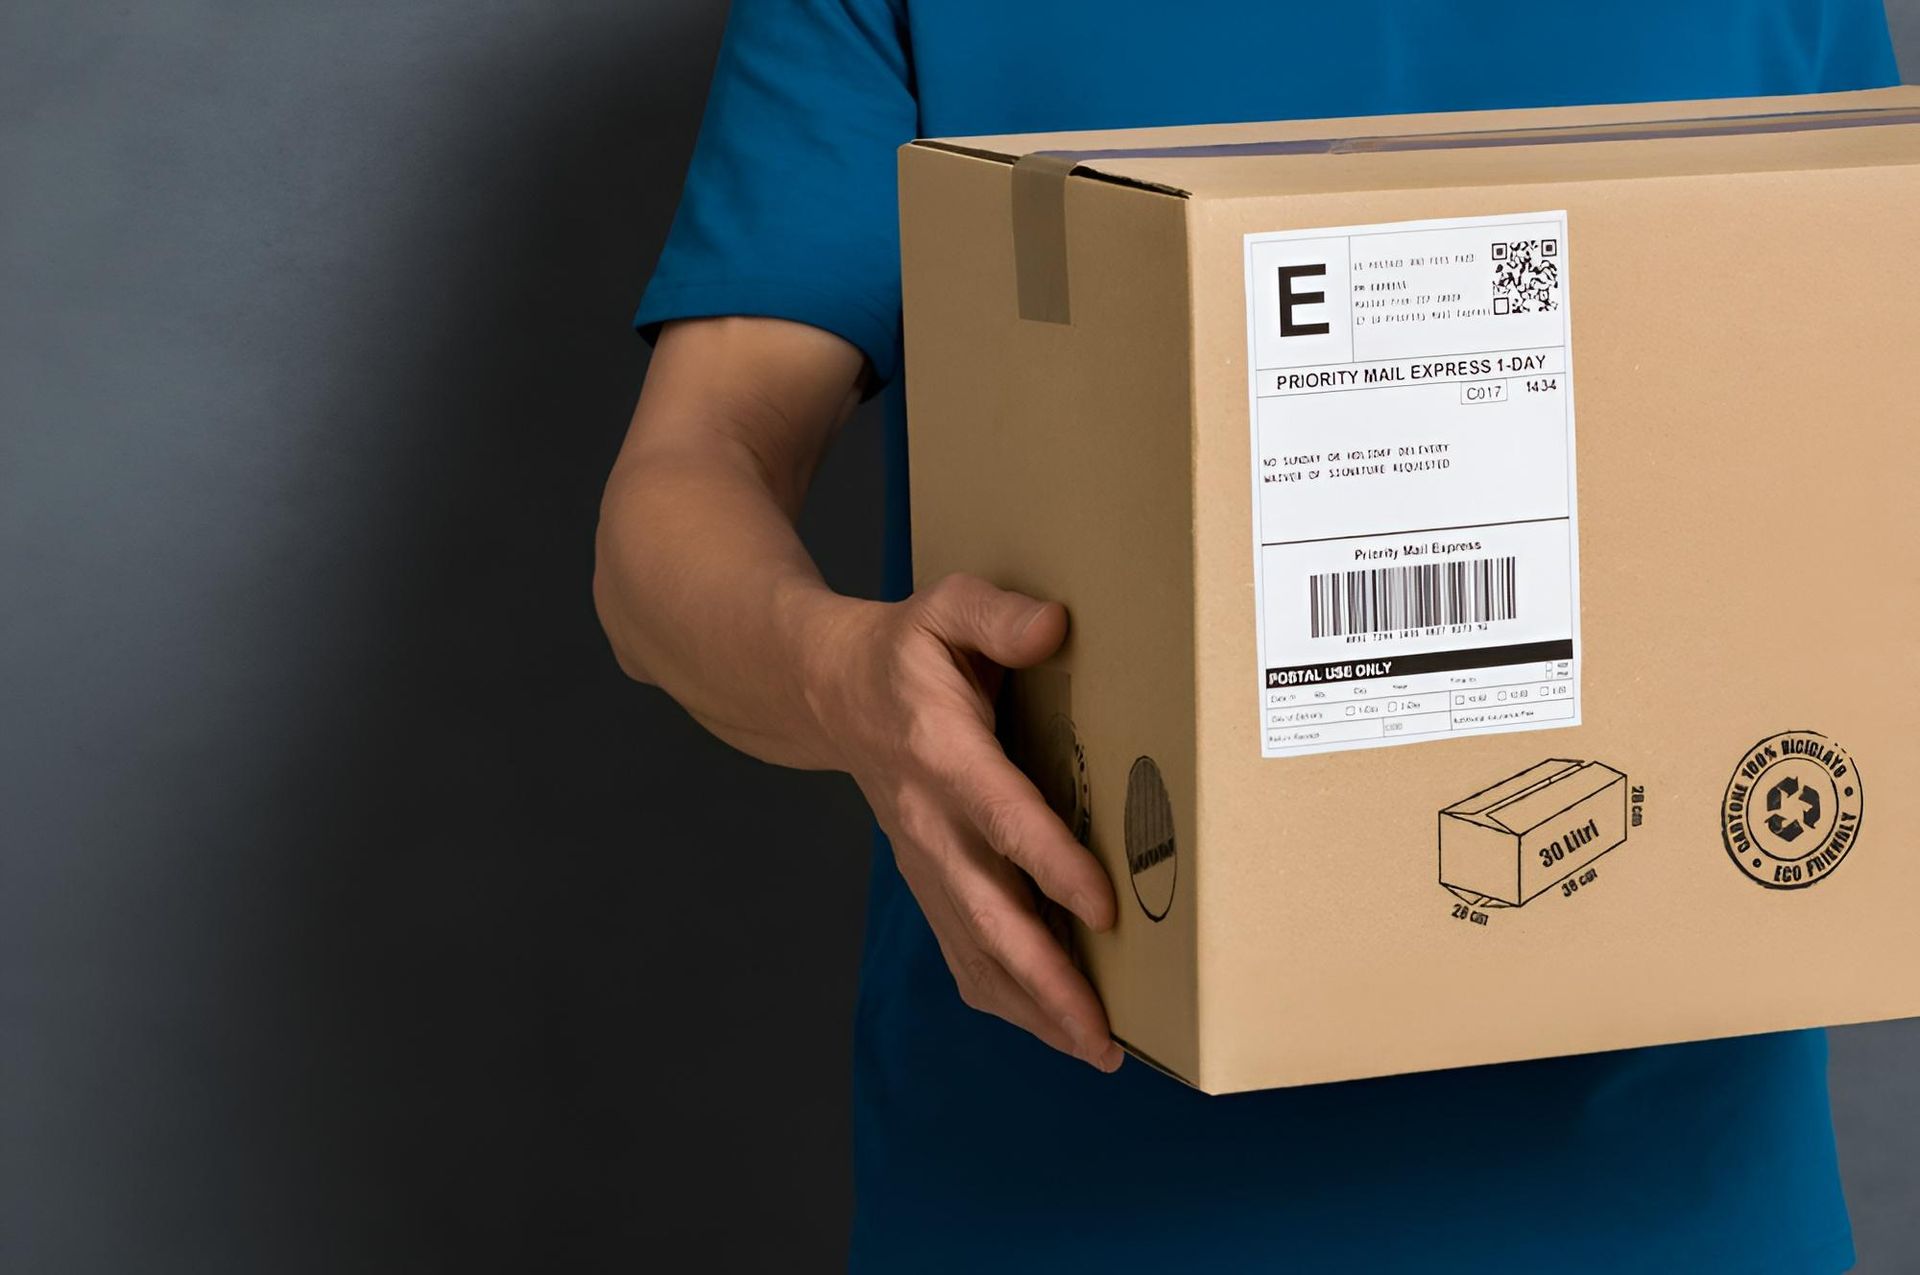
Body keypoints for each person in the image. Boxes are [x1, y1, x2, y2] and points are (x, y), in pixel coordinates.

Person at [593, 3, 1900, 1269]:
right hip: (1070, 1195)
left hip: (1673, 1205)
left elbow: (1859, 347)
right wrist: (844, 680)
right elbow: (684, 485)